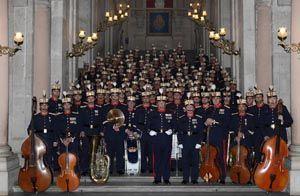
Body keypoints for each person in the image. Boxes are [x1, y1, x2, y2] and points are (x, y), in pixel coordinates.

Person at [148, 90, 175, 184]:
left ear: (165, 103)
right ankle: (157, 178)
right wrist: (149, 131)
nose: (161, 104)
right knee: (157, 159)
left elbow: (175, 125)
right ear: (157, 103)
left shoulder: (171, 113)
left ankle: (166, 178)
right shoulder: (152, 113)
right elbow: (147, 125)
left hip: (166, 138)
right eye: (160, 102)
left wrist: (172, 130)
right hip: (156, 138)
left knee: (166, 159)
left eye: (163, 102)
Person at [177, 97, 204, 184]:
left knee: (195, 161)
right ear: (185, 109)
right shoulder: (181, 118)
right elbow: (179, 132)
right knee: (185, 161)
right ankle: (185, 178)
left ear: (194, 108)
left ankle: (194, 179)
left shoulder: (199, 118)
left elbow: (201, 131)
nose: (189, 109)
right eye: (188, 107)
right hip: (185, 140)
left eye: (191, 107)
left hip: (194, 140)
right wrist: (180, 142)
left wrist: (199, 142)